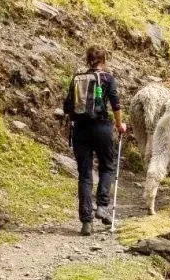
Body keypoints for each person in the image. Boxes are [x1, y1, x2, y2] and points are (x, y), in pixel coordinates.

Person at [63, 45, 127, 236]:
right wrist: (120, 124)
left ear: (87, 59)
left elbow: (67, 106)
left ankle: (86, 223)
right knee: (107, 166)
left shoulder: (77, 78)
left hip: (80, 130)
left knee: (85, 174)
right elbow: (115, 104)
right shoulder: (108, 78)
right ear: (104, 60)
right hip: (102, 128)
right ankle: (102, 206)